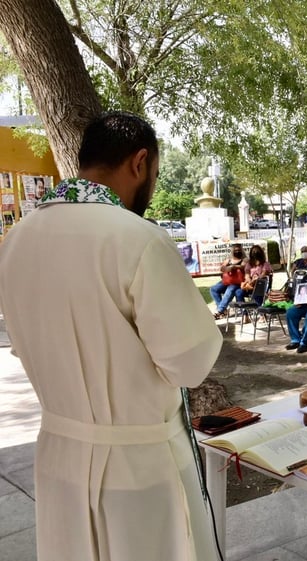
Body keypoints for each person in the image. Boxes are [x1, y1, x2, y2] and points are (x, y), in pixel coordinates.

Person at [0, 111, 222, 560]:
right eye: (155, 175)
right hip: (139, 466)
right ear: (140, 163)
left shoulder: (17, 239)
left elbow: (24, 343)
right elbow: (189, 363)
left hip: (59, 456)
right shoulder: (137, 238)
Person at [210, 242, 247, 319]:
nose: (237, 252)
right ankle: (223, 310)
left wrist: (233, 267)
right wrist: (227, 268)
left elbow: (243, 266)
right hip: (227, 280)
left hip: (238, 282)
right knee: (213, 289)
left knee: (230, 289)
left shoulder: (245, 259)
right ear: (232, 251)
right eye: (235, 250)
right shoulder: (228, 259)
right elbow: (222, 268)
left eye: (239, 250)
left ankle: (219, 311)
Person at [236, 244, 273, 310]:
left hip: (261, 287)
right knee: (238, 292)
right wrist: (250, 281)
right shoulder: (249, 264)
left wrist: (255, 280)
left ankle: (261, 313)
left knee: (258, 290)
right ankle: (245, 314)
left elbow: (263, 275)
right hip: (251, 286)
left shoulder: (265, 264)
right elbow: (247, 275)